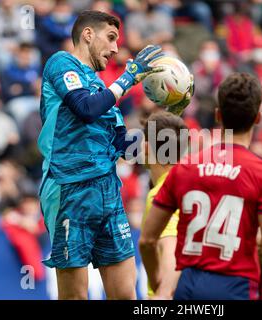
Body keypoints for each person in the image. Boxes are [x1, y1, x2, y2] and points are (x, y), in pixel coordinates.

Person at [37, 10, 187, 300]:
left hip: (108, 192)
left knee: (125, 295)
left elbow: (124, 146)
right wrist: (128, 78)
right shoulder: (61, 63)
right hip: (70, 189)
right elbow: (85, 108)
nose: (116, 48)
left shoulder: (100, 88)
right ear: (87, 35)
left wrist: (169, 121)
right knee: (75, 297)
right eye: (111, 38)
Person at [139, 73, 262, 300]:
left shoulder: (185, 168)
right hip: (234, 286)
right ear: (258, 118)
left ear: (218, 115)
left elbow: (147, 240)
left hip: (188, 287)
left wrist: (159, 282)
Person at [140, 111, 187, 299]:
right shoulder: (188, 184)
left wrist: (163, 294)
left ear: (145, 147)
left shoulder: (162, 195)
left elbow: (170, 248)